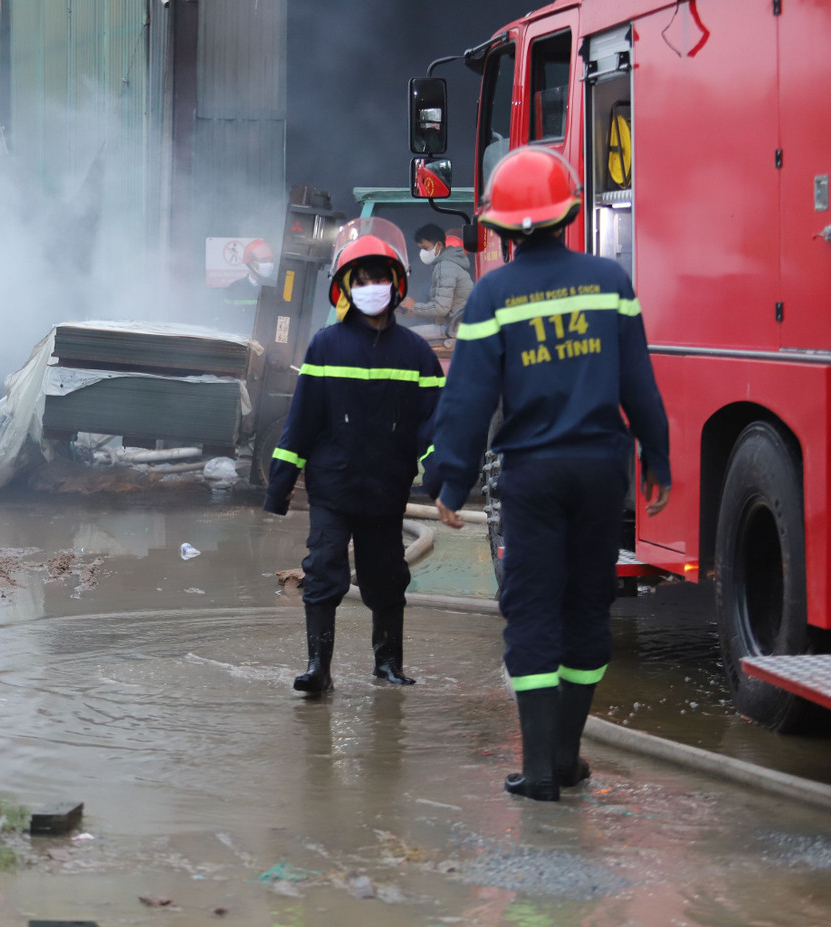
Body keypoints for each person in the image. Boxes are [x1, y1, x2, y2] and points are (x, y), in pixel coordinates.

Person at [430, 146, 671, 801]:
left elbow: (468, 399)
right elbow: (639, 381)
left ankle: (538, 770)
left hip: (533, 476)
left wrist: (448, 480)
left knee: (533, 611)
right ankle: (566, 758)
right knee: (588, 607)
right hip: (601, 472)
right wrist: (659, 453)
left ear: (503, 229)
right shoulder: (609, 283)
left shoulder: (493, 294)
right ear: (569, 215)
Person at [263, 224, 444, 695]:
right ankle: (318, 669)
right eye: (360, 280)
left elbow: (433, 426)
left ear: (396, 285)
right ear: (345, 288)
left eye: (378, 279)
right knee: (324, 571)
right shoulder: (325, 346)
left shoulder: (418, 354)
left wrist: (443, 474)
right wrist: (279, 485)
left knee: (387, 579)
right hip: (333, 489)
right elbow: (300, 422)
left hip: (386, 491)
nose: (370, 289)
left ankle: (387, 665)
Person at [399, 223, 474, 340]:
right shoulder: (448, 264)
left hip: (455, 328)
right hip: (455, 324)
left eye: (425, 248)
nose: (422, 253)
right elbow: (441, 304)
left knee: (402, 336)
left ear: (439, 245)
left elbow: (441, 308)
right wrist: (410, 312)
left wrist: (414, 307)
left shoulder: (445, 266)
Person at [220, 239, 276, 333]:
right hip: (240, 341)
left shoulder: (276, 287)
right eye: (264, 260)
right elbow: (224, 318)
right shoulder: (234, 288)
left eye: (270, 260)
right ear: (250, 262)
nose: (268, 264)